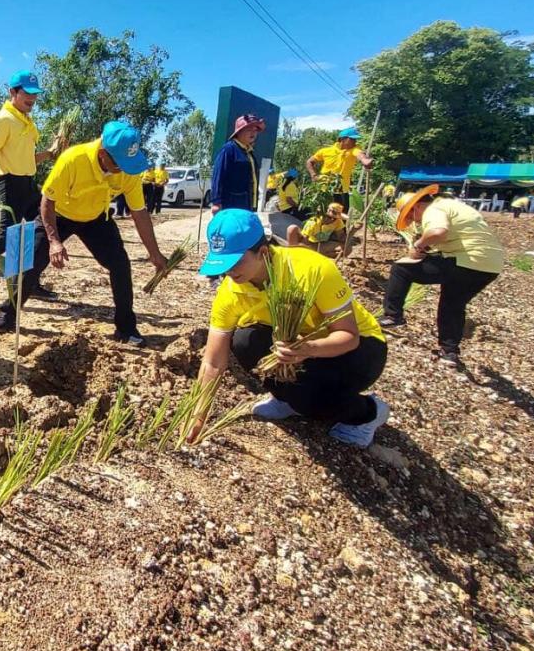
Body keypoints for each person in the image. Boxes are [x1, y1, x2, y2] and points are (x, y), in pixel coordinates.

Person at [191, 209, 389, 448]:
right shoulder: (231, 291)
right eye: (223, 264)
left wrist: (308, 348)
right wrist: (197, 417)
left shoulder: (312, 269)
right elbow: (213, 362)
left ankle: (368, 413)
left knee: (311, 401)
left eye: (236, 262)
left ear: (263, 252)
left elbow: (349, 336)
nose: (229, 272)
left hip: (358, 351)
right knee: (245, 341)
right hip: (299, 347)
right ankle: (288, 398)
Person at [0, 120, 167, 343]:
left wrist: (154, 252)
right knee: (30, 262)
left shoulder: (127, 170)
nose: (122, 169)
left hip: (95, 218)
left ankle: (126, 328)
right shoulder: (73, 159)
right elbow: (47, 201)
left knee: (120, 265)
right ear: (103, 153)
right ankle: (7, 315)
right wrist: (54, 241)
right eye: (119, 163)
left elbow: (139, 213)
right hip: (59, 215)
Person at [382, 185, 504, 367]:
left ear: (416, 207)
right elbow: (451, 238)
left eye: (410, 216)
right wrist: (426, 246)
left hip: (465, 259)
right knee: (452, 304)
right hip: (489, 266)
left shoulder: (434, 209)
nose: (413, 221)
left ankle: (393, 315)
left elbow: (438, 232)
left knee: (401, 268)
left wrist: (418, 246)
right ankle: (449, 352)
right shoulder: (453, 205)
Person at [0, 70, 59, 301]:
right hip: (10, 184)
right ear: (13, 92)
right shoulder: (3, 119)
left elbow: (27, 158)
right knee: (6, 238)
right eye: (27, 93)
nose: (32, 98)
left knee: (40, 230)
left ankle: (28, 282)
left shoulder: (25, 120)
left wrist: (50, 153)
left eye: (35, 94)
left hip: (29, 185)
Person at [306, 128, 372, 210]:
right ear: (342, 139)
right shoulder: (325, 151)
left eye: (355, 139)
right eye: (352, 139)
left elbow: (360, 155)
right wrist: (313, 175)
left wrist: (365, 160)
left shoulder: (353, 150)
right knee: (324, 215)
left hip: (342, 191)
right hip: (324, 190)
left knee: (342, 216)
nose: (355, 141)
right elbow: (309, 162)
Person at [209, 114, 263, 213]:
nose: (253, 133)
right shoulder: (229, 150)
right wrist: (216, 202)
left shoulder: (249, 153)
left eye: (255, 130)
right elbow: (218, 176)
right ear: (239, 131)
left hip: (247, 206)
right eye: (249, 130)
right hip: (231, 206)